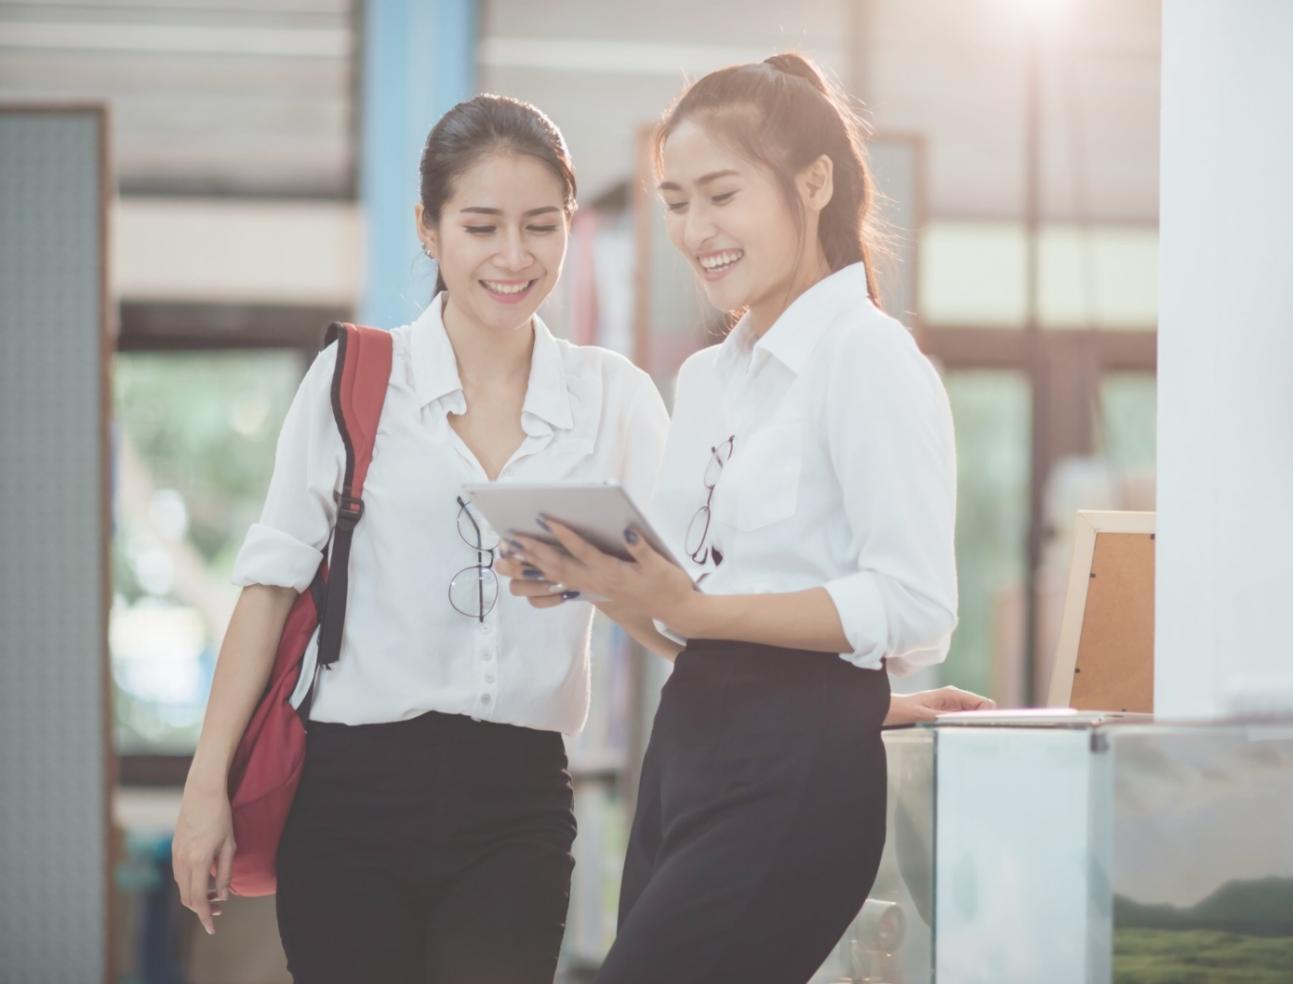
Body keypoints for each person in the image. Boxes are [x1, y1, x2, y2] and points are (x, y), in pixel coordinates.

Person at [174, 90, 983, 983]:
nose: (513, 257)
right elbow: (273, 581)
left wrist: (840, 696)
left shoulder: (621, 395)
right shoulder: (359, 378)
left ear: (570, 226)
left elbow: (675, 595)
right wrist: (205, 787)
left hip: (517, 797)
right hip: (352, 789)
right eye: (481, 227)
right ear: (430, 230)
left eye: (541, 227)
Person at [502, 53, 979, 983]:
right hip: (690, 746)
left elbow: (916, 604)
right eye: (676, 202)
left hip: (798, 770)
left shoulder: (867, 358)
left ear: (813, 183)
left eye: (720, 195)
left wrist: (720, 620)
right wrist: (597, 579)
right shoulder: (712, 377)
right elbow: (690, 604)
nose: (694, 229)